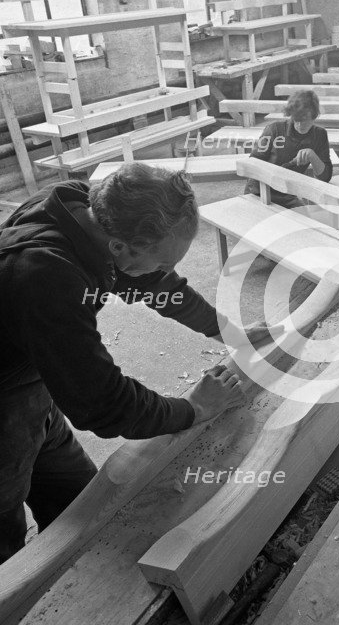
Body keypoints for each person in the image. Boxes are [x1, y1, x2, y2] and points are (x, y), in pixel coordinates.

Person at [0, 164, 274, 563]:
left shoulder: (85, 207)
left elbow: (155, 284)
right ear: (120, 249)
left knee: (79, 513)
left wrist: (229, 332)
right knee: (8, 558)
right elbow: (103, 404)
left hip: (33, 393)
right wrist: (194, 408)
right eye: (162, 261)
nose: (166, 272)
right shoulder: (47, 275)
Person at [245, 90, 333, 208]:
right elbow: (252, 165)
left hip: (287, 195)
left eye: (305, 119)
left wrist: (313, 156)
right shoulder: (273, 130)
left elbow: (325, 177)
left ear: (314, 116)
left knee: (309, 222)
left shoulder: (320, 135)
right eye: (296, 119)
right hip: (259, 192)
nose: (300, 125)